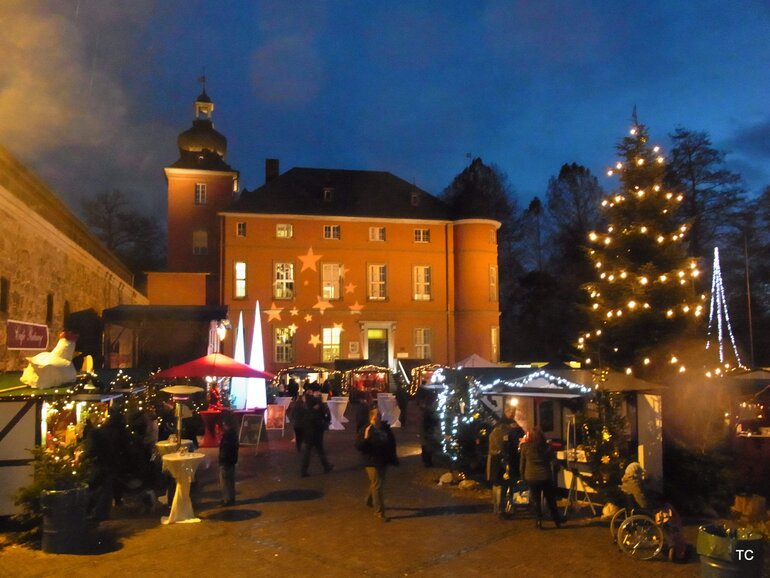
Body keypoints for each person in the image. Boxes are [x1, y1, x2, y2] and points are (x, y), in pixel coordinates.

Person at [356, 407, 399, 521]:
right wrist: (365, 439)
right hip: (370, 461)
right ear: (371, 418)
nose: (377, 420)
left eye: (378, 417)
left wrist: (393, 458)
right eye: (375, 418)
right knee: (377, 485)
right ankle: (379, 512)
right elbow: (358, 446)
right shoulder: (366, 429)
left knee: (377, 483)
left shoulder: (385, 429)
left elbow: (392, 444)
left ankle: (369, 499)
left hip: (383, 460)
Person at [519, 426, 562, 529]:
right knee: (551, 500)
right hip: (545, 477)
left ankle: (538, 521)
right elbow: (554, 462)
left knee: (536, 500)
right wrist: (557, 470)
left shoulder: (525, 447)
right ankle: (557, 520)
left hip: (531, 477)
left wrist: (523, 476)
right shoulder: (547, 447)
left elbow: (522, 464)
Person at [487, 407, 524, 517]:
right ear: (506, 412)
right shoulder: (501, 427)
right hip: (501, 460)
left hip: (511, 459)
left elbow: (521, 435)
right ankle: (500, 508)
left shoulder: (513, 425)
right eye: (511, 412)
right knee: (502, 485)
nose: (512, 414)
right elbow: (499, 444)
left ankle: (509, 506)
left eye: (514, 412)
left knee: (511, 484)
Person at [299, 393, 333, 477]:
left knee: (312, 451)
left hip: (309, 433)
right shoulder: (314, 412)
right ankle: (305, 470)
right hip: (315, 434)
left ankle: (325, 466)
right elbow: (319, 421)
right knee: (316, 450)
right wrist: (325, 424)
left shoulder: (306, 409)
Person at [218, 413, 240, 506]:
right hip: (231, 460)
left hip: (226, 460)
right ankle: (230, 498)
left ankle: (227, 499)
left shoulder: (228, 435)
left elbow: (225, 448)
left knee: (225, 480)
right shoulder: (233, 433)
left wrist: (222, 459)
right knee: (230, 480)